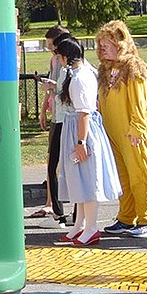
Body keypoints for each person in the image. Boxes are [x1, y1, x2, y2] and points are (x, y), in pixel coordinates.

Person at [54, 37, 121, 246]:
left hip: (82, 131)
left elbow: (84, 112)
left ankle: (91, 227)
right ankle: (80, 224)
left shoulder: (81, 77)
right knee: (79, 180)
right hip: (77, 128)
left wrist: (81, 142)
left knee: (87, 180)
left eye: (59, 55)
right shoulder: (78, 74)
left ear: (66, 56)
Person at [96, 19, 147, 238]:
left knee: (140, 176)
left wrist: (137, 128)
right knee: (122, 177)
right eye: (101, 44)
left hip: (134, 134)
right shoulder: (105, 70)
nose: (102, 48)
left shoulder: (135, 67)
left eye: (107, 43)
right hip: (113, 134)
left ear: (120, 43)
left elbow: (141, 103)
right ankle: (126, 217)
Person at [30, 25, 71, 222]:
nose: (49, 49)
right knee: (51, 161)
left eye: (50, 45)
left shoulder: (67, 62)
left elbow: (62, 89)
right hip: (56, 114)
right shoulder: (54, 60)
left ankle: (61, 209)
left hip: (66, 117)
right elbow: (53, 87)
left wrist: (52, 90)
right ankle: (53, 205)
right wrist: (45, 107)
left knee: (60, 162)